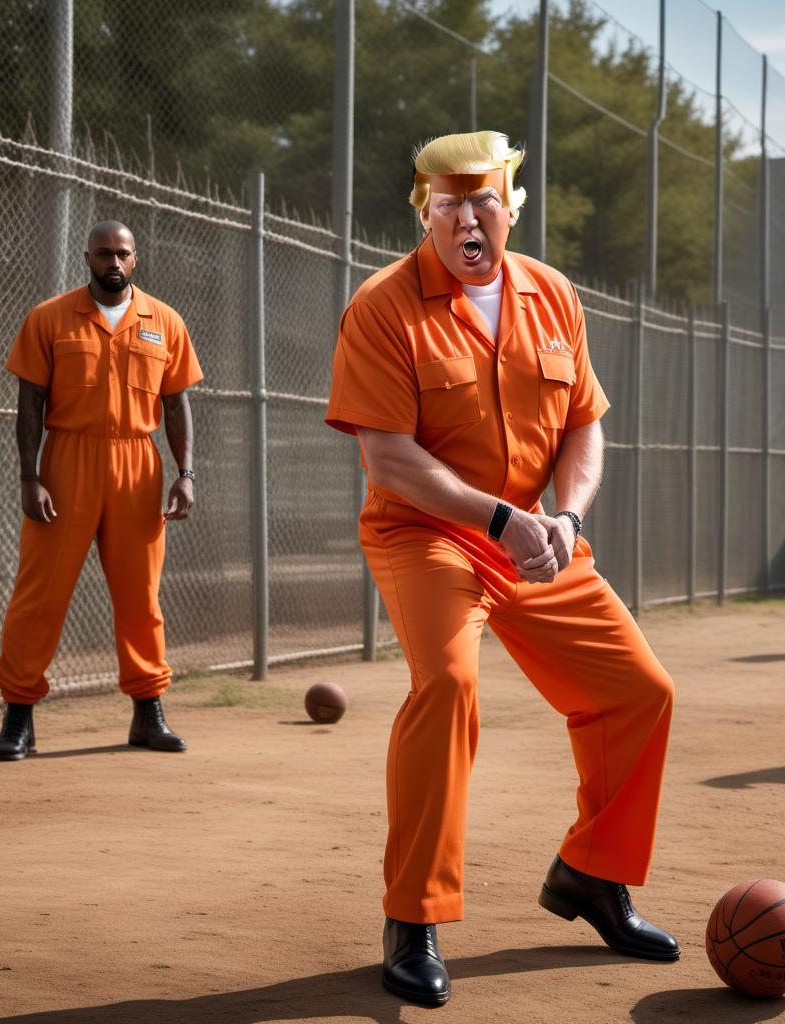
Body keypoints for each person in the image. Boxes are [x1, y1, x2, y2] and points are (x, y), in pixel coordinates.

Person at [325, 131, 678, 1007]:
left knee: (640, 690)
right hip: (428, 534)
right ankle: (414, 917)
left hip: (538, 534)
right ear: (425, 213)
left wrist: (565, 515)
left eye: (486, 201)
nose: (469, 218)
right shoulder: (382, 305)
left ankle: (592, 875)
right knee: (446, 684)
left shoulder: (553, 294)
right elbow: (391, 460)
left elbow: (585, 424)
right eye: (449, 204)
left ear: (513, 209)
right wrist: (500, 518)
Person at [0, 221, 203, 760]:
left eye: (123, 253)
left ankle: (148, 713)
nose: (114, 260)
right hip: (66, 462)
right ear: (87, 255)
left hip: (137, 464)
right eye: (104, 251)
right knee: (40, 595)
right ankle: (18, 718)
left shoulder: (165, 322)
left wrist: (186, 472)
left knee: (141, 598)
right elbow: (30, 402)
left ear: (136, 258)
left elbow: (176, 402)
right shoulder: (49, 318)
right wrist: (28, 475)